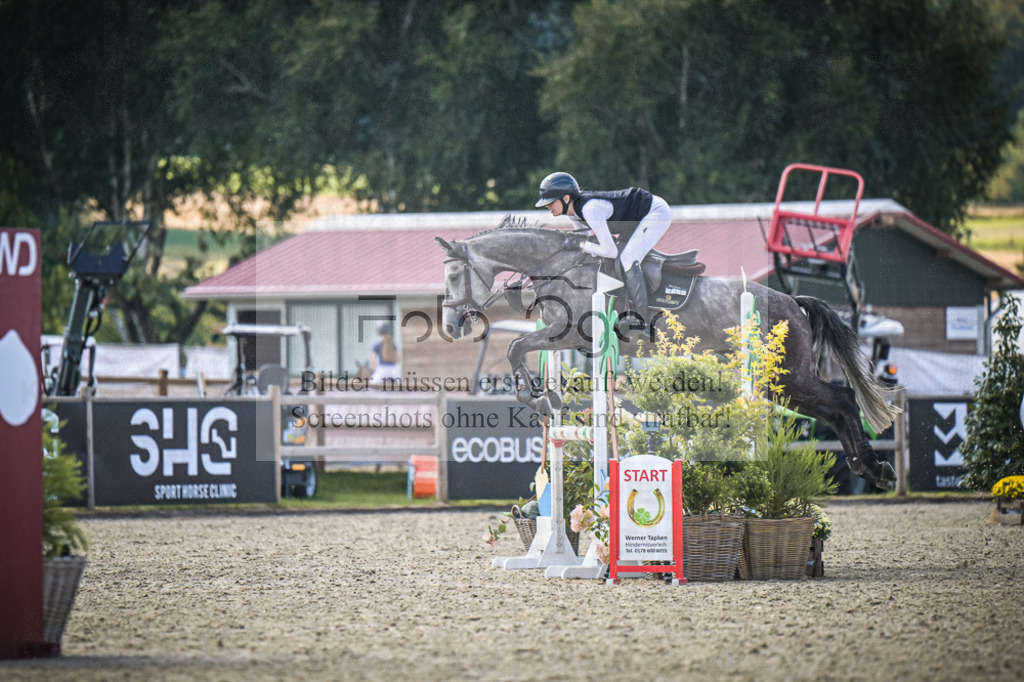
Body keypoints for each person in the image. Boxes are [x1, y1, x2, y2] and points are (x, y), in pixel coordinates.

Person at [534, 171, 672, 321]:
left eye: (551, 201)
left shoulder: (590, 210)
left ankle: (641, 320)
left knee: (628, 258)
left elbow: (609, 251)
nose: (547, 205)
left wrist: (581, 244)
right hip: (636, 219)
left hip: (655, 212)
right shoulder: (573, 213)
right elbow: (588, 241)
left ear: (566, 198)